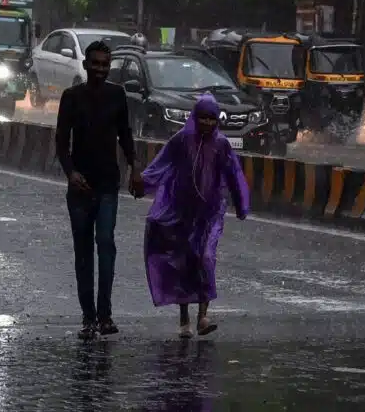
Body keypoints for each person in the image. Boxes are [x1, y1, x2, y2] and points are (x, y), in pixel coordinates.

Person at [140, 94, 249, 338]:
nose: (207, 123)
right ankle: (184, 318)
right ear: (195, 117)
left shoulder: (221, 144)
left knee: (206, 257)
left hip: (210, 213)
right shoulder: (182, 140)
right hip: (182, 211)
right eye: (203, 118)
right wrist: (143, 184)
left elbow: (234, 174)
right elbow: (161, 164)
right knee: (184, 260)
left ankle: (203, 316)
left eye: (212, 119)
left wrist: (242, 203)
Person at [55, 40, 143, 340]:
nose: (100, 70)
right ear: (85, 65)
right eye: (95, 64)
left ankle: (105, 315)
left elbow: (125, 135)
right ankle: (88, 318)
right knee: (83, 253)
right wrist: (71, 173)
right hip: (80, 189)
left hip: (108, 184)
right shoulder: (71, 97)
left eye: (105, 65)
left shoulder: (117, 95)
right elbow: (61, 142)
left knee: (105, 244)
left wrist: (134, 167)